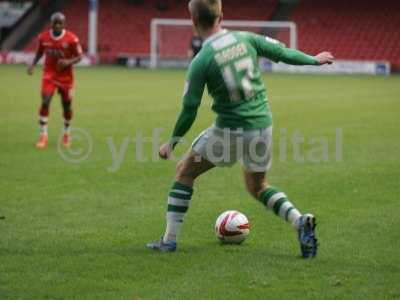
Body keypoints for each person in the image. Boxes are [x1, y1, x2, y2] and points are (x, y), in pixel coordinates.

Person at [147, 0, 334, 258]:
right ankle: (299, 220)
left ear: (193, 21)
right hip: (262, 126)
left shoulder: (201, 61)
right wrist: (314, 60)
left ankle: (169, 240)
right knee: (258, 185)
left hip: (229, 132)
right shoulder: (247, 39)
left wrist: (172, 142)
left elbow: (190, 109)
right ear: (221, 16)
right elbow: (283, 54)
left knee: (184, 172)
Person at [27, 12, 82, 149]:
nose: (57, 25)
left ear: (64, 24)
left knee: (66, 105)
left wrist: (68, 62)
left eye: (60, 23)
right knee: (45, 101)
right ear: (51, 23)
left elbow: (80, 56)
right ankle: (43, 135)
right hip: (49, 74)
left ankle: (66, 133)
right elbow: (39, 52)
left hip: (66, 77)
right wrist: (33, 64)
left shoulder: (72, 39)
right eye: (54, 23)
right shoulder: (43, 37)